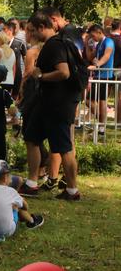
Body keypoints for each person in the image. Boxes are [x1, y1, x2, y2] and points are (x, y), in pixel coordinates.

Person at [21, 11, 80, 201]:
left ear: (41, 27)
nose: (30, 34)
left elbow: (64, 72)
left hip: (57, 105)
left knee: (64, 148)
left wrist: (40, 76)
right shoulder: (56, 43)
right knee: (31, 137)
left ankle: (72, 190)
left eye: (32, 30)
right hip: (47, 103)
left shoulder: (54, 45)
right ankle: (31, 184)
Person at [0, 161, 43, 238]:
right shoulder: (11, 192)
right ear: (5, 177)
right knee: (17, 206)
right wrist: (19, 203)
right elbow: (26, 206)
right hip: (7, 231)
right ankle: (32, 221)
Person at [86, 24, 115, 134]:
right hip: (98, 76)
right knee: (89, 100)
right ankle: (101, 122)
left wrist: (97, 65)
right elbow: (90, 57)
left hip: (106, 76)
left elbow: (107, 55)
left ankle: (102, 126)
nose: (92, 38)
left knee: (102, 101)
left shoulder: (109, 41)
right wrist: (87, 44)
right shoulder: (99, 44)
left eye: (93, 35)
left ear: (99, 32)